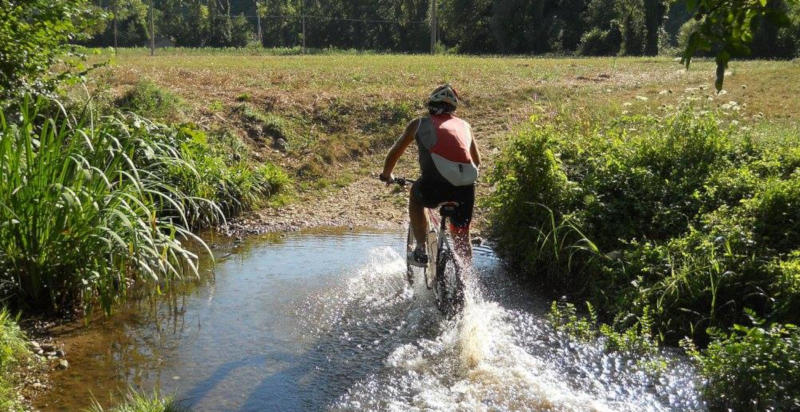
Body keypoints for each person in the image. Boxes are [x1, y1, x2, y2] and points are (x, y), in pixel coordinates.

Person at [379, 84, 481, 266]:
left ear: (430, 105)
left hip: (434, 186)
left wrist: (387, 175)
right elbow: (477, 161)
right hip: (465, 188)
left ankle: (420, 249)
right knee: (461, 237)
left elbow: (395, 153)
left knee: (416, 197)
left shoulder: (419, 124)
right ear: (453, 108)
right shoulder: (466, 126)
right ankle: (466, 277)